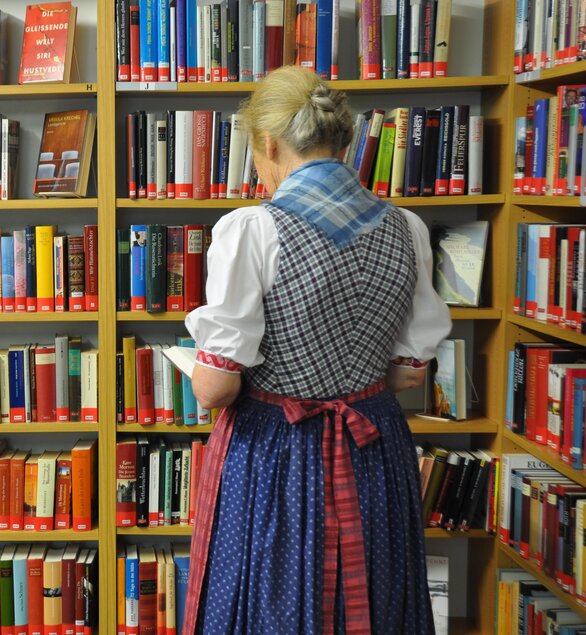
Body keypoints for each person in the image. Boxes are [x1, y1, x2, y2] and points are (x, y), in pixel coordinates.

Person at [182, 66, 452, 634]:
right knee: (374, 602)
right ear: (345, 143)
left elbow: (215, 389)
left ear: (268, 143)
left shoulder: (251, 230)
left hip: (279, 455)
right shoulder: (407, 227)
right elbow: (409, 373)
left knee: (270, 606)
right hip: (373, 451)